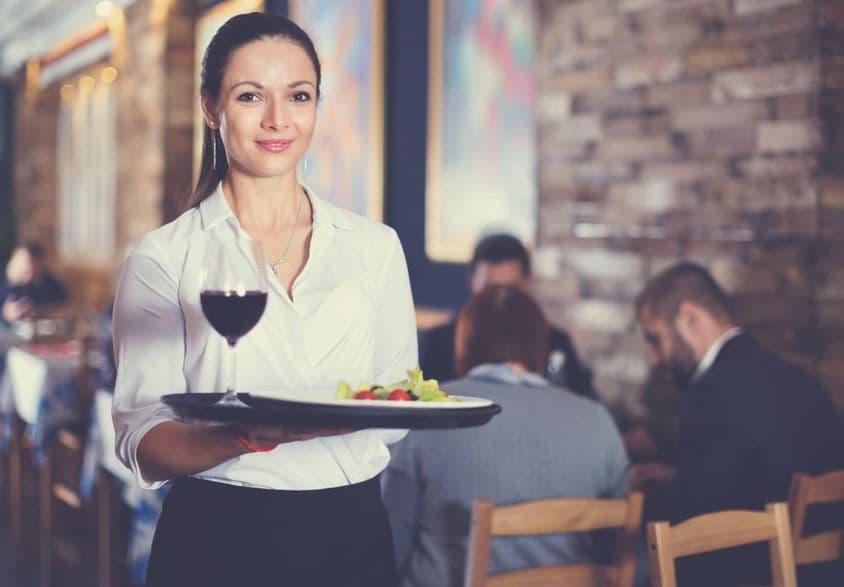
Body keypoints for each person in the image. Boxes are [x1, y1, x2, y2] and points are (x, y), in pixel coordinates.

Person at [111, 13, 416, 587]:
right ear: (211, 107)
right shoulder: (164, 257)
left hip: (351, 534)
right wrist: (247, 437)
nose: (278, 120)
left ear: (316, 106)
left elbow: (393, 405)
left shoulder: (376, 248)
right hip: (217, 537)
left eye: (298, 96)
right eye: (250, 96)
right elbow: (144, 444)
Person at [383, 285, 629, 587]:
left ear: (461, 350)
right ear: (541, 350)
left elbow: (389, 547)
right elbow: (620, 546)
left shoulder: (427, 415)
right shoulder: (598, 421)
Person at [635, 262, 844, 587]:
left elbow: (692, 517)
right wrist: (678, 476)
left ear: (690, 318)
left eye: (654, 338)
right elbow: (759, 471)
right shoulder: (797, 378)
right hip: (823, 572)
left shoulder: (712, 390)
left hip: (752, 571)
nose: (654, 358)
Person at [418, 233, 595, 398]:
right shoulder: (437, 343)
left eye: (511, 290)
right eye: (490, 290)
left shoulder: (555, 342)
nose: (501, 300)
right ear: (472, 281)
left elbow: (582, 407)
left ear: (528, 282)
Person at [1, 242, 68, 324]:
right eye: (25, 266)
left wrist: (38, 310)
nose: (30, 274)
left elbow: (62, 299)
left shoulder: (45, 278)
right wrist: (4, 314)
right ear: (14, 260)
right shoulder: (4, 280)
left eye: (35, 266)